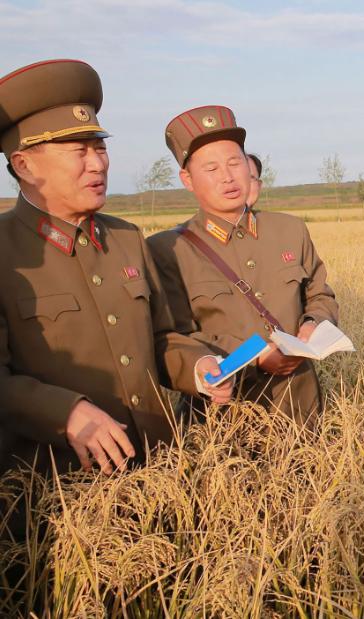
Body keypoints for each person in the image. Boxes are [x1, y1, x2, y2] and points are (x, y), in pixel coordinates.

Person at [0, 59, 232, 477]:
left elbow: (161, 338)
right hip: (58, 491)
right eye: (79, 151)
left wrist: (197, 365)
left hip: (160, 467)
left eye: (100, 147)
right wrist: (66, 413)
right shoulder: (5, 250)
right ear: (24, 165)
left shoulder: (126, 238)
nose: (98, 164)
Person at [148, 106, 338, 426]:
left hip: (300, 410)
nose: (227, 176)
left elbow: (321, 295)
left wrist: (313, 324)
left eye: (234, 162)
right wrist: (256, 354)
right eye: (211, 168)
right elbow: (171, 337)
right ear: (187, 179)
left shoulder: (289, 230)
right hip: (222, 422)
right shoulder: (167, 250)